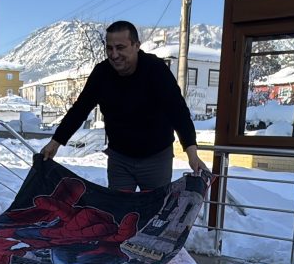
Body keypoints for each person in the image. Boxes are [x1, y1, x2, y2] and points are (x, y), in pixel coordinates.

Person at [40, 20, 209, 191]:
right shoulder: (101, 73)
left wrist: (191, 152)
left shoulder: (156, 70)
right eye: (109, 48)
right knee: (118, 212)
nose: (114, 55)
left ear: (136, 45)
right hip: (119, 158)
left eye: (120, 47)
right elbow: (80, 109)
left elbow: (178, 111)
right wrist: (56, 142)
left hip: (156, 157)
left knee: (154, 210)